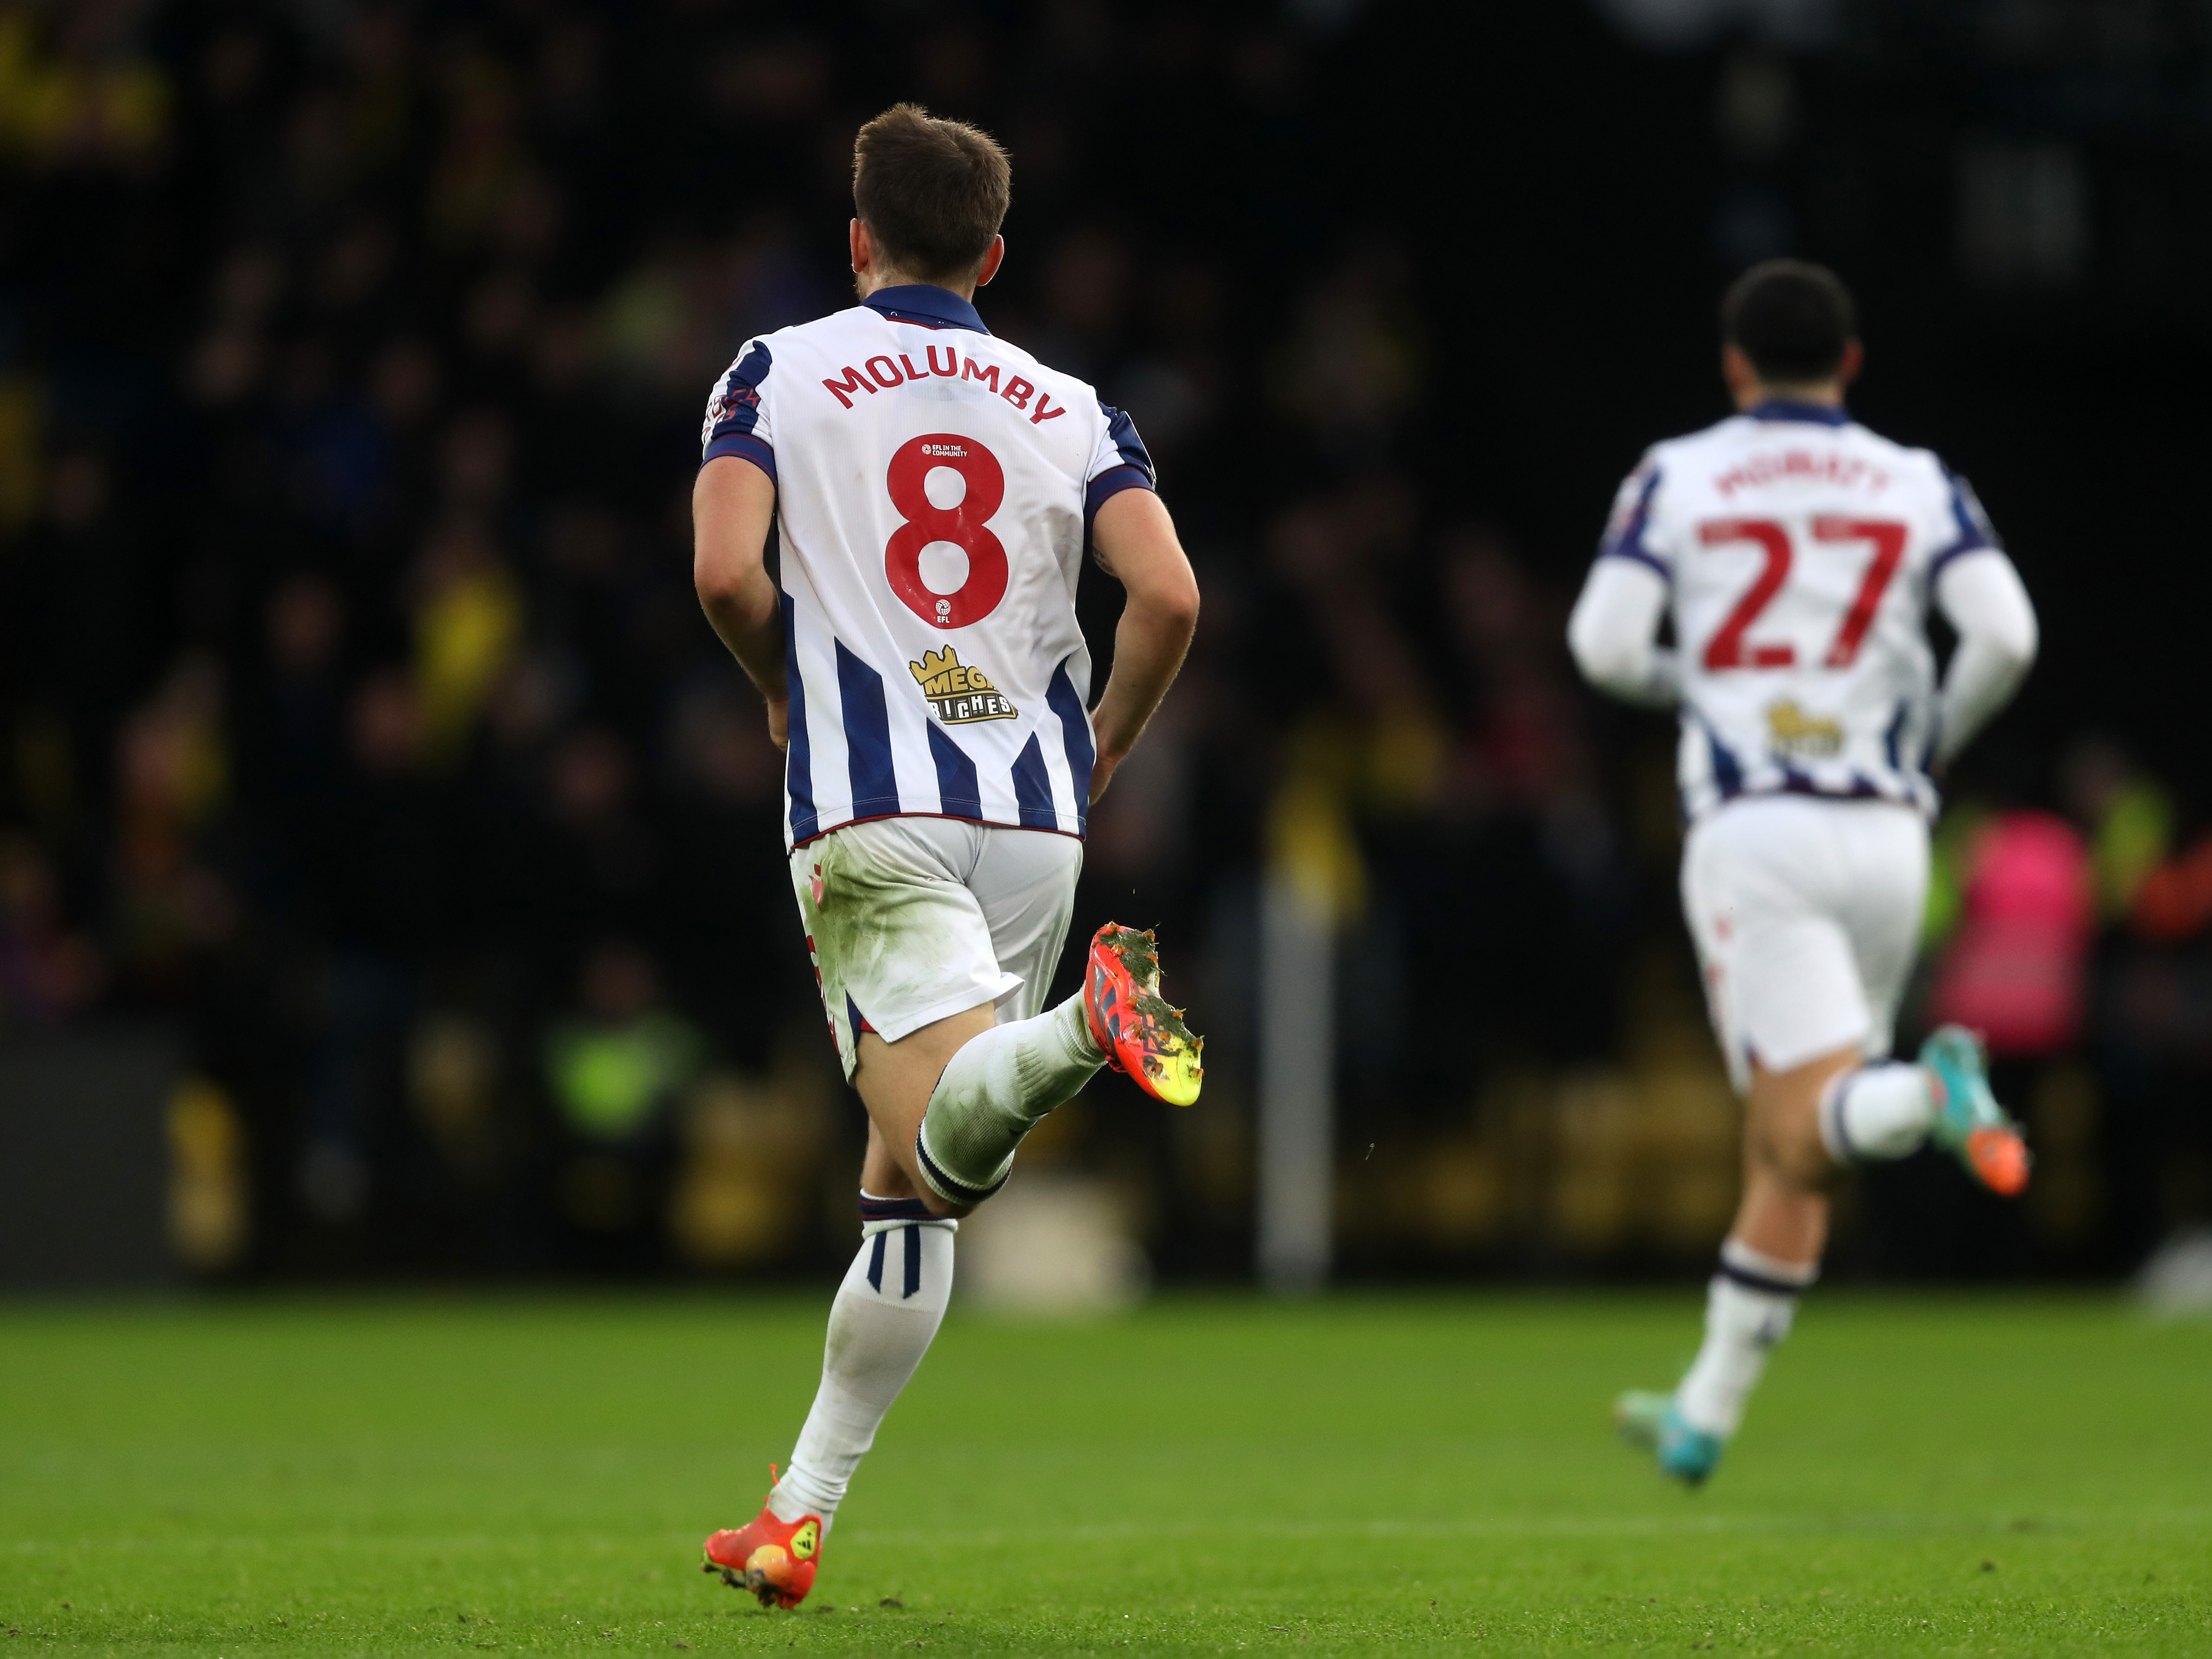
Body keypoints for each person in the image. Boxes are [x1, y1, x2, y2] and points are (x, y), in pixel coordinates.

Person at [689, 104, 1204, 1605]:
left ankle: (1084, 1027)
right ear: (994, 253)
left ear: (858, 241)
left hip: (873, 807)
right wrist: (1106, 736)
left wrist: (782, 683)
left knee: (932, 1151)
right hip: (1036, 819)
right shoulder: (1070, 401)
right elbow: (1166, 598)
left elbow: (726, 567)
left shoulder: (778, 367)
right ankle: (794, 1517)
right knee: (913, 1189)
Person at [1566, 259, 2039, 1486]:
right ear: (1851, 363)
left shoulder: (1681, 471)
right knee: (1799, 1148)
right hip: (1889, 831)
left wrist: (1702, 693)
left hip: (1758, 827)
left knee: (1803, 1117)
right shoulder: (1914, 478)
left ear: (1733, 366)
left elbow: (1605, 643)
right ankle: (1705, 1415)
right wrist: (1928, 735)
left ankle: (1933, 1097)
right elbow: (2006, 634)